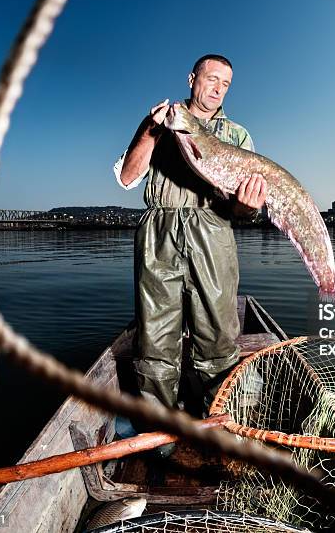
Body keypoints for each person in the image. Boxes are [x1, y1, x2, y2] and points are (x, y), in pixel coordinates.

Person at [113, 54, 266, 420]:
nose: (218, 89)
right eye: (211, 79)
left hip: (213, 229)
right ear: (191, 79)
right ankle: (159, 428)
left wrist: (247, 206)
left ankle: (218, 418)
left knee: (218, 336)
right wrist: (149, 132)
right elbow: (127, 178)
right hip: (158, 232)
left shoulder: (238, 136)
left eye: (225, 84)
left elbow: (244, 212)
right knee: (154, 338)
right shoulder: (160, 122)